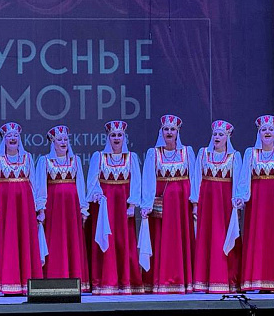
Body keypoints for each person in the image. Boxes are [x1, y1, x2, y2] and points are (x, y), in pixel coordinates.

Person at [235, 115, 274, 292]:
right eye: (264, 129)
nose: (267, 132)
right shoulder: (251, 153)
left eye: (270, 129)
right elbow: (244, 178)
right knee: (258, 238)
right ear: (259, 133)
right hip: (257, 204)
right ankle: (257, 280)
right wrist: (241, 197)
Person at [85, 120, 144, 295]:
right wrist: (97, 195)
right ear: (108, 137)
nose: (116, 138)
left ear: (124, 137)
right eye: (113, 135)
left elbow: (136, 183)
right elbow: (92, 181)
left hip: (123, 206)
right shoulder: (99, 157)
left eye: (119, 135)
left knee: (123, 241)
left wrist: (132, 205)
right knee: (106, 241)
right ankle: (104, 281)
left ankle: (125, 282)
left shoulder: (131, 157)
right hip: (105, 208)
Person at [140, 115, 197, 294]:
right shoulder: (154, 153)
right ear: (161, 132)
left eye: (172, 129)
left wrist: (195, 202)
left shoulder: (187, 152)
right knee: (162, 239)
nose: (169, 132)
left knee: (181, 238)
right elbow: (148, 179)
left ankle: (183, 281)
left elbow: (194, 178)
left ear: (177, 132)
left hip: (181, 204)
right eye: (166, 129)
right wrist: (146, 203)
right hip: (162, 204)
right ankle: (161, 281)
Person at [0, 122, 43, 295]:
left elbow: (34, 183)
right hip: (4, 205)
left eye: (15, 136)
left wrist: (39, 208)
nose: (13, 138)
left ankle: (27, 282)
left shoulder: (27, 158)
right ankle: (6, 282)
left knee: (25, 238)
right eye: (9, 136)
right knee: (6, 239)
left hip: (24, 205)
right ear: (3, 140)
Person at [190, 120, 243, 293]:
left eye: (221, 134)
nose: (217, 137)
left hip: (225, 204)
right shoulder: (203, 154)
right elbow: (197, 179)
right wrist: (195, 204)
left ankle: (226, 280)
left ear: (227, 137)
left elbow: (238, 182)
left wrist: (237, 205)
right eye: (215, 134)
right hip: (207, 203)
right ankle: (204, 281)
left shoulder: (234, 156)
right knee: (207, 238)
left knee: (223, 237)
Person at [35, 125, 90, 292]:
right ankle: (54, 278)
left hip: (71, 207)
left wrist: (83, 208)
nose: (63, 142)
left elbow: (80, 184)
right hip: (54, 207)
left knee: (72, 239)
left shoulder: (75, 160)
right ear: (53, 142)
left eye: (65, 139)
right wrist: (41, 209)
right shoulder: (45, 161)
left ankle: (75, 279)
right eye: (59, 139)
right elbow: (40, 186)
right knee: (56, 239)